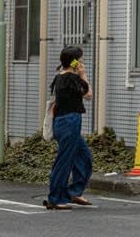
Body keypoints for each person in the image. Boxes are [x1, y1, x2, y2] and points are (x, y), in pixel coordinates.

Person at [44, 46, 93, 210]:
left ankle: (74, 191)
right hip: (69, 122)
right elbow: (88, 94)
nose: (82, 61)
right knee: (64, 161)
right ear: (74, 62)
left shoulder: (60, 77)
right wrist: (82, 74)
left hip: (65, 122)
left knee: (84, 158)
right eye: (80, 59)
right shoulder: (71, 77)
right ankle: (55, 198)